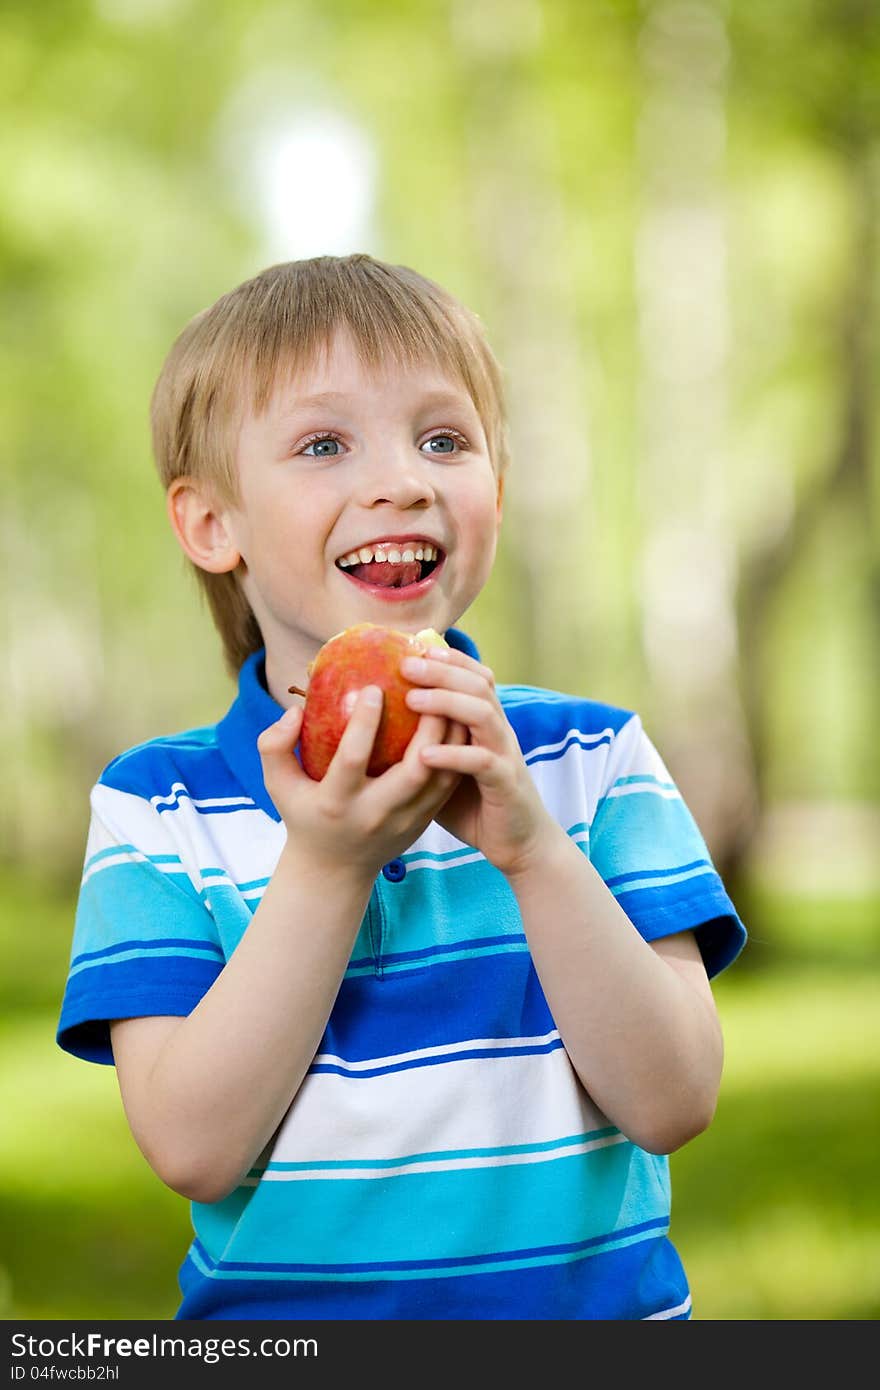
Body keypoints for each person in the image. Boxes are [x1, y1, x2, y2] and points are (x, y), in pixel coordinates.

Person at [57, 253, 746, 1321]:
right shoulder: (156, 810)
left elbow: (673, 1100)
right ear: (211, 525)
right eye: (325, 444)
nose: (404, 480)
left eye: (444, 440)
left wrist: (532, 852)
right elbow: (192, 1146)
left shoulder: (591, 762)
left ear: (497, 495)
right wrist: (328, 869)